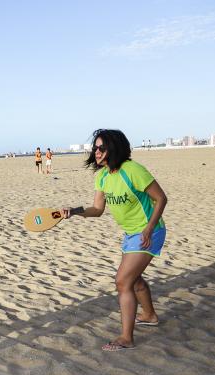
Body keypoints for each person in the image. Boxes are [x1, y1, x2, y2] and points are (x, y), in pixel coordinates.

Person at [62, 129, 168, 351]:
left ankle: (126, 338)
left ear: (114, 148)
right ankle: (149, 315)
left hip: (149, 231)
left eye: (102, 148)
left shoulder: (133, 170)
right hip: (130, 233)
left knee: (122, 281)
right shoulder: (102, 176)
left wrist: (149, 229)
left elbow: (161, 198)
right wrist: (74, 212)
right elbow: (97, 209)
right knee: (134, 280)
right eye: (95, 148)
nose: (97, 152)